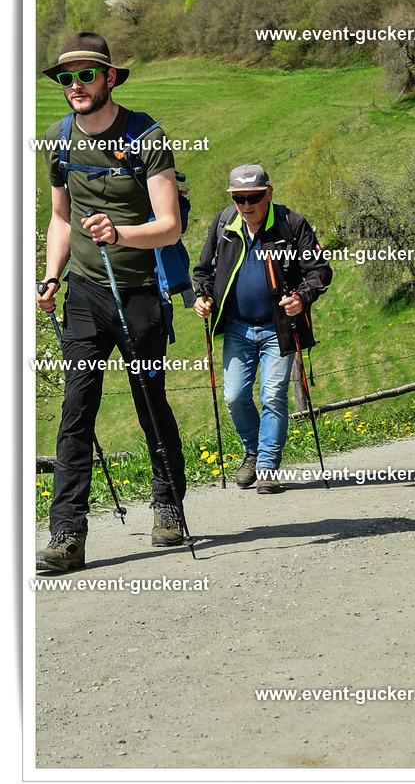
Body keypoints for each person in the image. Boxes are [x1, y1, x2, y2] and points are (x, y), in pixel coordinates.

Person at [36, 32, 188, 571]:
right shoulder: (58, 139)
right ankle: (67, 535)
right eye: (65, 77)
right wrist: (51, 277)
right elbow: (59, 219)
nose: (74, 85)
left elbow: (168, 227)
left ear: (109, 78)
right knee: (76, 411)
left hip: (139, 294)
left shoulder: (145, 134)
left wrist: (120, 235)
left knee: (150, 402)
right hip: (83, 294)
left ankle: (168, 502)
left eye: (85, 75)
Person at [193, 165, 332, 493]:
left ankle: (268, 466)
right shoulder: (225, 222)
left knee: (272, 396)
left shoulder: (291, 224)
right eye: (239, 198)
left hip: (279, 328)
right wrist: (203, 296)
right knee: (235, 397)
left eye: (253, 197)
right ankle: (253, 451)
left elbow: (320, 271)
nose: (246, 205)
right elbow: (203, 270)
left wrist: (302, 297)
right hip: (237, 327)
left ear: (269, 193)